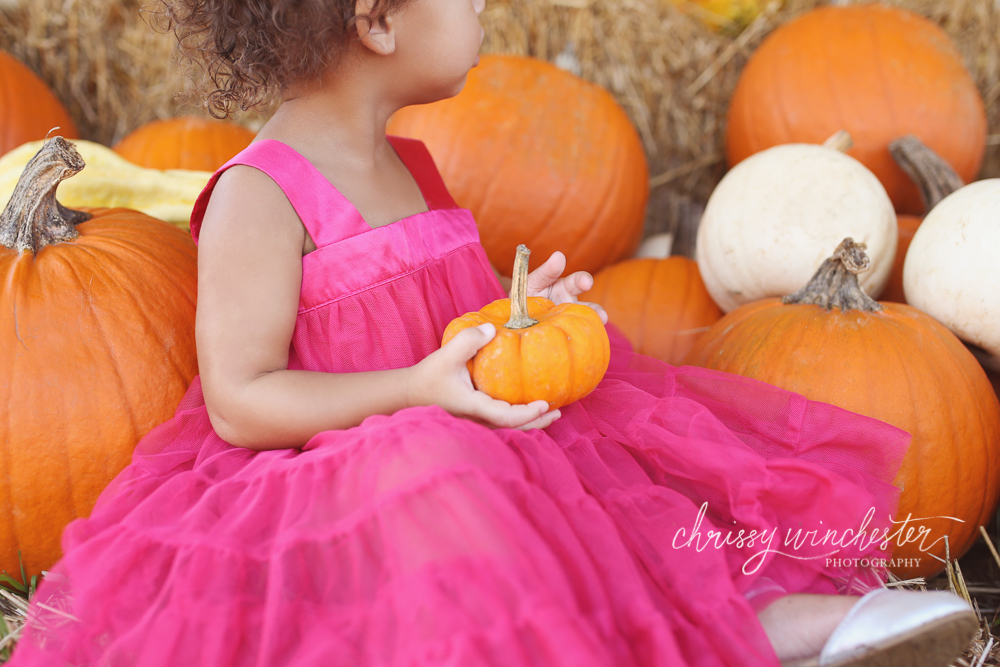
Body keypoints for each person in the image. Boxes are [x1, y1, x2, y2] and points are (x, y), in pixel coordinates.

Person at [9, 0, 978, 665]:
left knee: (611, 467)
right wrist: (421, 392)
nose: (484, 11)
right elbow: (241, 399)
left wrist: (526, 320)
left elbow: (447, 326)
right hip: (346, 478)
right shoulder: (259, 195)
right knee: (442, 473)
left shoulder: (413, 167)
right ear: (377, 18)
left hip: (473, 432)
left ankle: (762, 620)